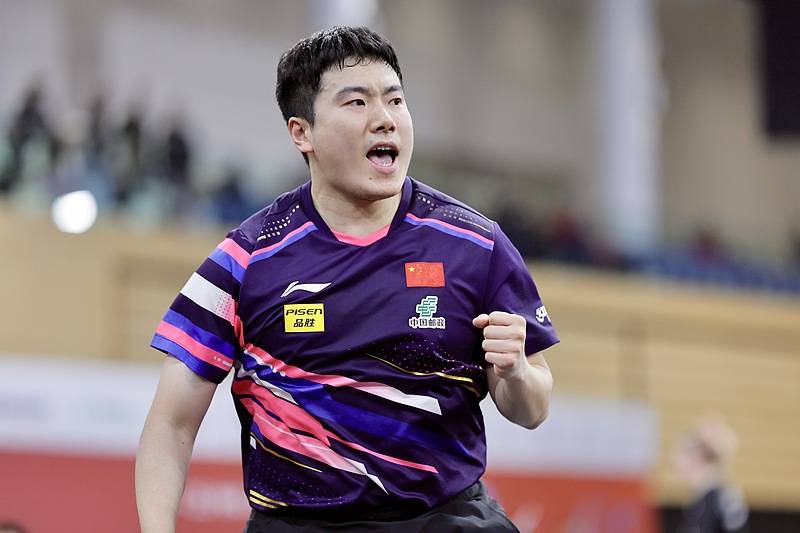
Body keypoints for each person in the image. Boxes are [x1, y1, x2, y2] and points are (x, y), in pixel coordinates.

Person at [135, 26, 558, 533]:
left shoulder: (475, 244)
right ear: (302, 133)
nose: (384, 119)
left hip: (444, 520)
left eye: (395, 100)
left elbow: (531, 409)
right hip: (299, 525)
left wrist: (516, 372)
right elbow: (172, 424)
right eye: (357, 103)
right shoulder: (247, 257)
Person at [672, 416, 749, 533]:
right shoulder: (702, 500)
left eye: (686, 456)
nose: (679, 466)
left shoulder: (720, 498)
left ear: (699, 461)